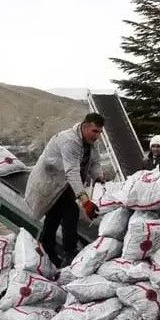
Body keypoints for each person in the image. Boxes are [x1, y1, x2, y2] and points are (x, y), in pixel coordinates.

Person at [25, 113, 106, 266]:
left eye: (100, 132)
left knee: (54, 216)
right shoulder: (70, 141)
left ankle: (47, 250)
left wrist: (98, 177)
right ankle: (69, 252)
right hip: (51, 181)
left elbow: (95, 163)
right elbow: (72, 171)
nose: (97, 136)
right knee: (71, 211)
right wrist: (85, 201)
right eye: (95, 131)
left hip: (65, 185)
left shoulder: (92, 142)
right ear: (85, 125)